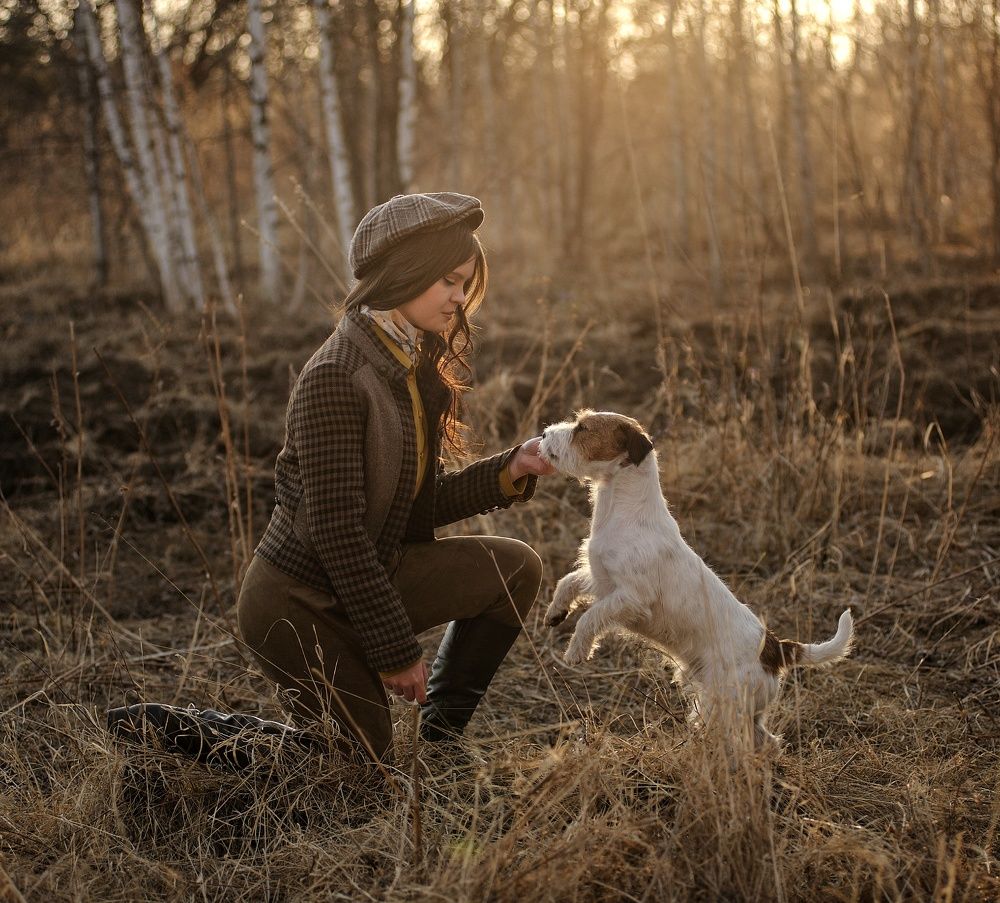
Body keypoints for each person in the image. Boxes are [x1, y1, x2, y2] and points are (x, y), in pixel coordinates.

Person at [237, 192, 554, 764]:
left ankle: (439, 744)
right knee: (361, 769)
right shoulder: (337, 375)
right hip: (297, 602)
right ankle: (179, 731)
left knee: (515, 568)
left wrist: (509, 469)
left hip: (369, 572)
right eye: (450, 282)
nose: (461, 300)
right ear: (406, 271)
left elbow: (412, 508)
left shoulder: (409, 364)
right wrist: (392, 648)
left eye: (466, 286)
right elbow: (336, 530)